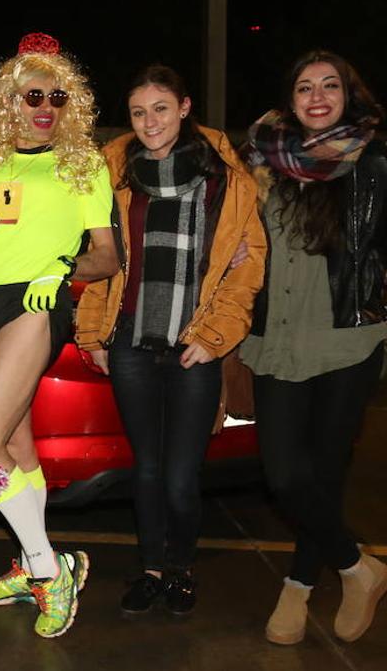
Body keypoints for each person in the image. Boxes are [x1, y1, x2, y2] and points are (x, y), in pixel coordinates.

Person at [0, 32, 118, 638]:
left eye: (58, 96)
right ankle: (32, 561)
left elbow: (107, 255)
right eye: (32, 94)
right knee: (17, 451)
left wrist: (62, 269)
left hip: (37, 304)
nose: (45, 106)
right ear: (9, 101)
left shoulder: (84, 163)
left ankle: (50, 568)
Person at [74, 64, 265, 615]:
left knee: (182, 475)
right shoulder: (113, 173)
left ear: (184, 108)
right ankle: (152, 570)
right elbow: (97, 260)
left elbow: (246, 269)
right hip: (131, 340)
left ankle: (181, 569)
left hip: (193, 345)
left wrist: (215, 335)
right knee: (148, 470)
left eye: (160, 108)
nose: (149, 121)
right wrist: (94, 333)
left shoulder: (225, 179)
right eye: (138, 112)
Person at [239, 50, 387, 645]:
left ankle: (298, 585)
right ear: (290, 99)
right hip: (277, 335)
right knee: (283, 472)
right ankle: (360, 568)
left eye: (330, 86)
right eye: (305, 87)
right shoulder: (261, 160)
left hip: (346, 337)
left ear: (349, 95)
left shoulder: (374, 162)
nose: (318, 96)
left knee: (323, 472)